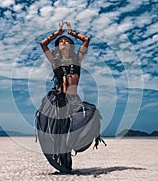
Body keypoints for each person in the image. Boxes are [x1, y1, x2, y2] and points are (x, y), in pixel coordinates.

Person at [35, 21, 106, 174]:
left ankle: (75, 148)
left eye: (67, 41)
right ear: (57, 47)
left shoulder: (77, 60)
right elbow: (43, 44)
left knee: (88, 116)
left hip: (73, 100)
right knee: (57, 133)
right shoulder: (55, 62)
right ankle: (64, 165)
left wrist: (71, 32)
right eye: (61, 42)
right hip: (57, 99)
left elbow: (86, 40)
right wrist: (58, 33)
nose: (64, 42)